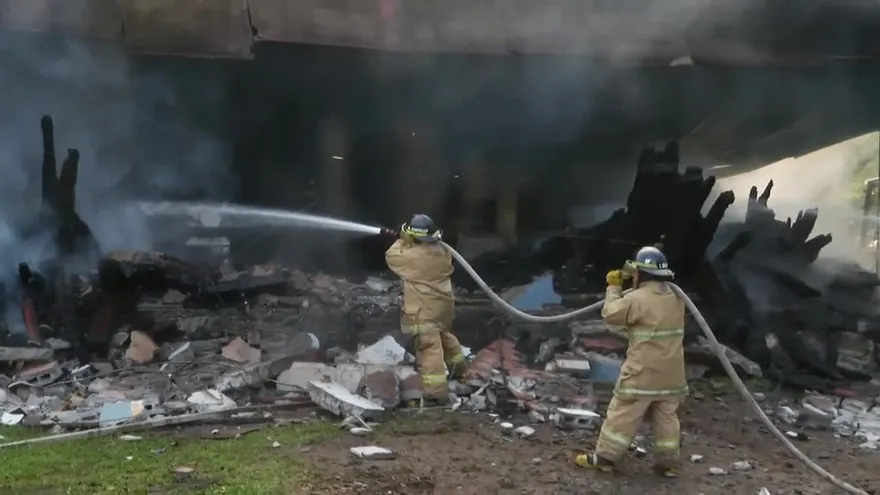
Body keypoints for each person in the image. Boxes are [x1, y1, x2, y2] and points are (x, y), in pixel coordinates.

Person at [575, 246, 688, 478]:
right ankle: (668, 464)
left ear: (642, 274)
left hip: (643, 372)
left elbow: (611, 315)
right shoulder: (677, 298)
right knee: (666, 416)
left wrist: (614, 287)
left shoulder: (636, 299)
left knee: (623, 412)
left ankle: (605, 457)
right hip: (673, 374)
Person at [385, 214, 466, 404]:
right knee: (445, 337)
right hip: (442, 307)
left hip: (424, 309)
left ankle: (435, 393)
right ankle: (460, 372)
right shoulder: (442, 252)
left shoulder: (413, 257)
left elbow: (392, 255)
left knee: (428, 348)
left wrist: (402, 239)